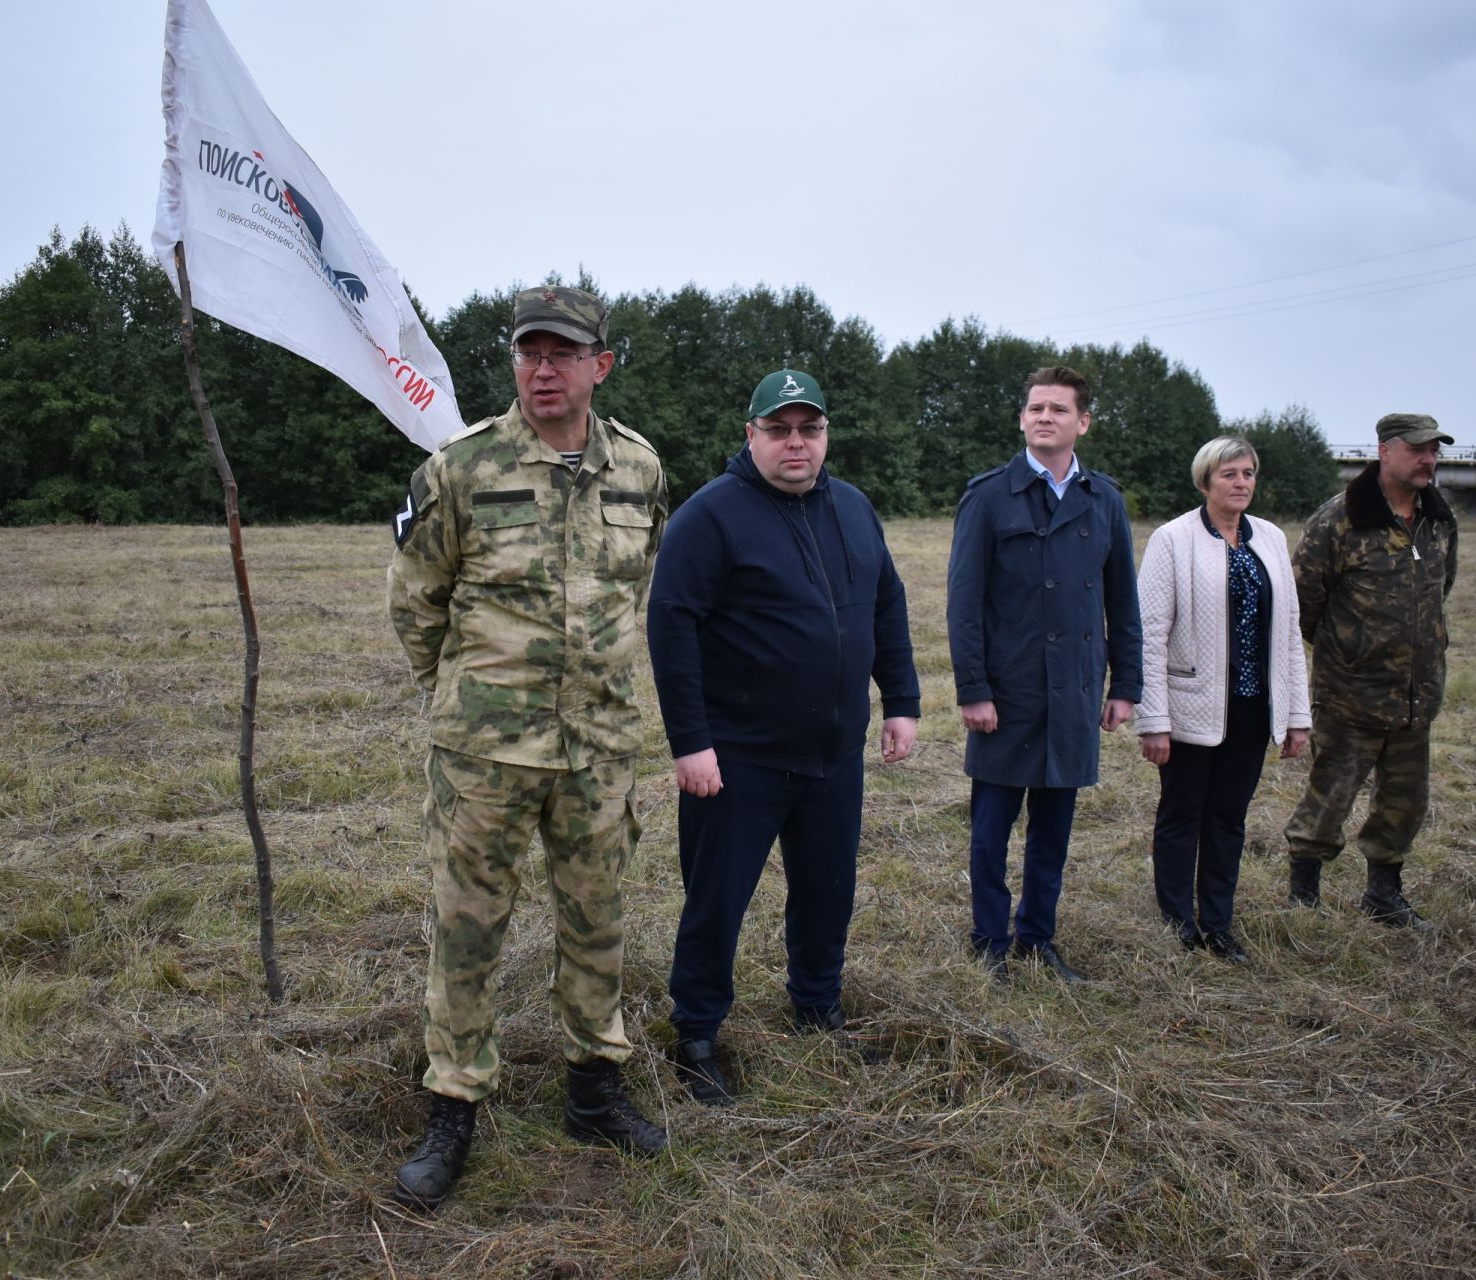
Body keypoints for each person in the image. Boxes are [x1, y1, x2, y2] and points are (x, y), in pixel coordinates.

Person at [384, 286, 671, 1209]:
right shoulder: (460, 468)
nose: (542, 369)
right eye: (527, 352)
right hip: (485, 755)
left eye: (562, 353)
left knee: (598, 923)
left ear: (600, 364)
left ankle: (594, 1089)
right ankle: (455, 1101)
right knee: (468, 929)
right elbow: (417, 601)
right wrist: (467, 695)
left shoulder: (639, 470)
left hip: (598, 747)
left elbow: (639, 593)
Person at [647, 368, 920, 1106]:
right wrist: (690, 741)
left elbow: (885, 605)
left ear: (825, 435)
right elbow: (671, 625)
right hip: (738, 758)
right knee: (718, 899)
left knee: (828, 892)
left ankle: (817, 1008)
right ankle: (698, 1034)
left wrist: (902, 701)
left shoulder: (856, 510)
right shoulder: (711, 517)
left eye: (810, 429)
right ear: (751, 434)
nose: (795, 443)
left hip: (835, 753)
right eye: (779, 429)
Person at [946, 365, 1142, 982]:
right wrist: (973, 688)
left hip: (1076, 693)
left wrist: (1125, 686)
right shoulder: (987, 497)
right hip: (1009, 695)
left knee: (1052, 832)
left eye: (1058, 409)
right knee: (990, 830)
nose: (1043, 418)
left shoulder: (1103, 499)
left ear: (1082, 422)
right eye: (1035, 408)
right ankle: (988, 940)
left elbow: (1122, 603)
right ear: (1022, 419)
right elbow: (963, 602)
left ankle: (1038, 937)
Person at [1135, 437, 1311, 963]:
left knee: (1229, 817)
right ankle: (1177, 921)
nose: (1241, 483)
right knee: (1183, 812)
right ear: (1205, 481)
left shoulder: (1273, 539)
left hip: (1255, 706)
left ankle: (1218, 922)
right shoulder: (1173, 540)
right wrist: (1154, 720)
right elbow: (1149, 633)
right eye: (1229, 474)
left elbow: (1290, 630)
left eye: (1249, 473)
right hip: (1191, 705)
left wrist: (1298, 716)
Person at [1284, 412, 1458, 927]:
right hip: (1350, 695)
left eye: (1434, 451)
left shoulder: (1438, 520)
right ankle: (1304, 897)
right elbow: (1302, 606)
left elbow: (1440, 590)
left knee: (1405, 802)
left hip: (1416, 695)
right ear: (1385, 451)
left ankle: (1383, 894)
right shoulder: (1338, 521)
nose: (1429, 460)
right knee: (1330, 794)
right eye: (1418, 449)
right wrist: (1351, 653)